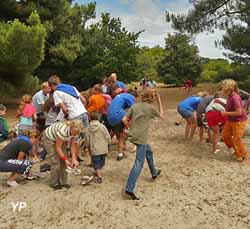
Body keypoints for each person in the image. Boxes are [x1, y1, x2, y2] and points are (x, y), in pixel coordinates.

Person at [122, 89, 164, 200]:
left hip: (133, 134)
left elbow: (124, 119)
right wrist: (160, 101)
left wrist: (131, 128)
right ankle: (129, 188)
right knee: (139, 162)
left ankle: (154, 172)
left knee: (148, 151)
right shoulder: (150, 108)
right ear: (152, 98)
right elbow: (162, 116)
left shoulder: (135, 106)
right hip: (141, 137)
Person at [41, 120, 85, 189]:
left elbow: (72, 146)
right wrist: (65, 160)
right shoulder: (63, 131)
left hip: (61, 138)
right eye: (75, 133)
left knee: (64, 162)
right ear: (71, 128)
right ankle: (54, 183)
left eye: (77, 133)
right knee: (55, 162)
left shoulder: (76, 132)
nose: (75, 134)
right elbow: (58, 147)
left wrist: (74, 159)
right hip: (49, 138)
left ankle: (63, 182)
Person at [221, 79, 248, 162]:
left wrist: (226, 113)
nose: (223, 90)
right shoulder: (230, 96)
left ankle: (243, 156)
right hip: (231, 120)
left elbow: (239, 112)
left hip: (238, 121)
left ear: (229, 88)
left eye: (224, 88)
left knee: (237, 139)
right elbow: (230, 107)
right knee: (225, 136)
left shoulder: (235, 97)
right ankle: (236, 151)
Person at [108, 92, 136, 161]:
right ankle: (120, 153)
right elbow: (134, 108)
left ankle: (123, 148)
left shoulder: (119, 96)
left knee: (118, 133)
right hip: (118, 116)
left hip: (110, 118)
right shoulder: (130, 97)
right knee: (123, 136)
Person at [85, 112, 111, 184]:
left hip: (94, 148)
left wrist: (87, 146)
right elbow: (107, 135)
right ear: (98, 118)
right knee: (101, 162)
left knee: (96, 163)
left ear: (90, 118)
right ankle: (98, 173)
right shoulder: (102, 127)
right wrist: (109, 142)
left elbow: (87, 138)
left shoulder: (88, 128)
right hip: (103, 147)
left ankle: (99, 177)